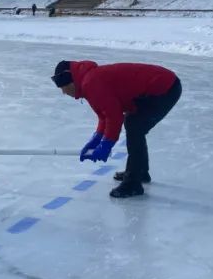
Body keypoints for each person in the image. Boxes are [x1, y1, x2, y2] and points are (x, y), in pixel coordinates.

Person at [52, 60, 182, 198]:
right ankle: (139, 172)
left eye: (64, 87)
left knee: (134, 126)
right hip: (162, 85)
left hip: (164, 87)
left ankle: (133, 183)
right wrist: (96, 141)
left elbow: (114, 117)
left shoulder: (91, 83)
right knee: (134, 124)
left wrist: (106, 145)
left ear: (71, 81)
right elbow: (104, 116)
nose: (64, 92)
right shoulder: (88, 81)